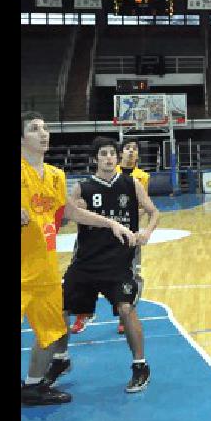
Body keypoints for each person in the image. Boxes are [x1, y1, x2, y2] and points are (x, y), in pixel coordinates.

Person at [21, 112, 136, 406]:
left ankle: (33, 387)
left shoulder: (57, 176)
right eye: (35, 129)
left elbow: (69, 213)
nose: (44, 133)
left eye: (45, 128)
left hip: (44, 270)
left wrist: (111, 223)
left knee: (51, 332)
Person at [46, 137, 160, 393]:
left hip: (119, 262)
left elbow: (154, 211)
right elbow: (65, 217)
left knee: (126, 308)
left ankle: (140, 366)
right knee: (61, 310)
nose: (109, 158)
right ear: (95, 159)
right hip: (85, 262)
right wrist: (67, 211)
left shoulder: (131, 184)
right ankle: (61, 359)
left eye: (112, 154)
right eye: (104, 154)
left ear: (117, 159)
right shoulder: (83, 187)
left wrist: (147, 232)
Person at [70, 138, 152, 335]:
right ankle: (83, 313)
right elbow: (70, 212)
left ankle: (125, 313)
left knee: (129, 277)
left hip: (124, 239)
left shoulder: (140, 178)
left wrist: (142, 227)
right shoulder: (86, 186)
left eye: (134, 149)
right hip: (93, 240)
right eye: (127, 148)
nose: (130, 152)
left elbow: (145, 206)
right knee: (82, 277)